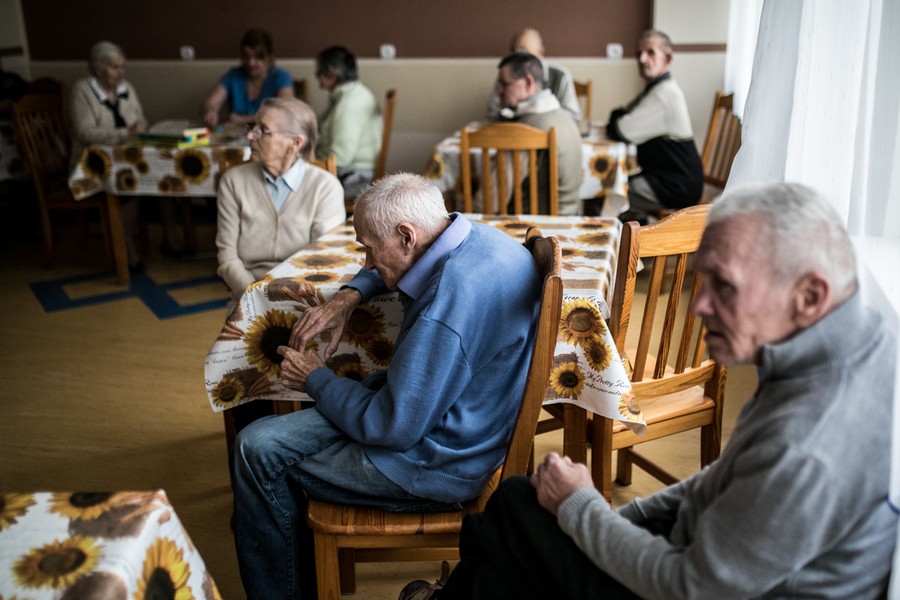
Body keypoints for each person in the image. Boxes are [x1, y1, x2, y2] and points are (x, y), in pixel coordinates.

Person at [399, 181, 897, 600]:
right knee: (514, 511)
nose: (698, 306)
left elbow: (690, 588)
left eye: (723, 286)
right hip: (707, 557)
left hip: (693, 587)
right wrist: (606, 515)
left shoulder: (809, 443)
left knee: (510, 518)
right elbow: (723, 479)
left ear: (810, 295)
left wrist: (581, 509)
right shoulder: (850, 340)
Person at [231, 173, 543, 599]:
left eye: (368, 248)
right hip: (449, 424)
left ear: (405, 235)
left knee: (257, 454)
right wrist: (351, 294)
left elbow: (392, 427)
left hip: (432, 464)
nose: (366, 259)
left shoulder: (446, 309)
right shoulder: (472, 237)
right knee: (259, 443)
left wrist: (314, 379)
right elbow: (398, 265)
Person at [216, 97, 345, 302]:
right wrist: (252, 294)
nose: (250, 135)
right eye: (252, 126)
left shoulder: (325, 187)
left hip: (305, 295)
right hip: (246, 294)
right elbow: (227, 255)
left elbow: (323, 260)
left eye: (262, 130)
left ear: (294, 143)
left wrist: (288, 299)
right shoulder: (233, 181)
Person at [70, 40, 180, 271]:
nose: (120, 73)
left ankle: (169, 241)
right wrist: (125, 133)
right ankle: (127, 250)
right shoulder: (82, 90)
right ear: (98, 68)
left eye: (122, 67)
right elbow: (85, 132)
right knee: (128, 184)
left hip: (129, 156)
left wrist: (141, 127)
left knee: (165, 178)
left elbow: (140, 118)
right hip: (94, 163)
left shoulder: (126, 88)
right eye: (114, 67)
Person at [606, 29, 703, 219]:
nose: (642, 59)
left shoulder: (664, 95)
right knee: (616, 187)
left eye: (650, 52)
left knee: (611, 195)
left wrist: (617, 118)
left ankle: (613, 244)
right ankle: (635, 238)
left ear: (667, 59)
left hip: (676, 186)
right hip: (667, 178)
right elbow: (622, 115)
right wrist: (617, 117)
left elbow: (622, 130)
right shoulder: (657, 88)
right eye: (639, 53)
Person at [495, 52, 583, 215]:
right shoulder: (563, 116)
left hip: (534, 227)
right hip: (569, 217)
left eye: (505, 84)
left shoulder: (527, 129)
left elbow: (494, 195)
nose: (499, 91)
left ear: (528, 82)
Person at [314, 45, 382, 201]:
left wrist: (310, 165)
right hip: (357, 171)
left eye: (318, 73)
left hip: (354, 177)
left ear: (332, 74)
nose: (317, 78)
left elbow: (341, 158)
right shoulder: (353, 94)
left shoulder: (348, 104)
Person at [202, 28, 294, 129]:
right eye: (246, 57)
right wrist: (210, 111)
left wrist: (242, 119)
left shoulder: (281, 77)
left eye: (258, 57)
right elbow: (210, 103)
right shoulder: (234, 75)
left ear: (269, 58)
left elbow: (285, 112)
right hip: (237, 139)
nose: (251, 63)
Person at [487, 27, 582, 123]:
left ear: (540, 53)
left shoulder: (560, 75)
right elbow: (493, 112)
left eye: (525, 55)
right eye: (515, 53)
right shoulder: (508, 73)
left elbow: (573, 115)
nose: (517, 61)